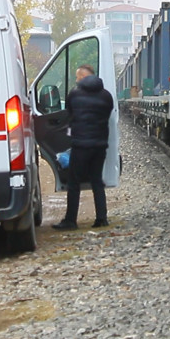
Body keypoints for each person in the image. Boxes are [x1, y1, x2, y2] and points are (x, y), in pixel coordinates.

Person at [52, 64, 114, 230]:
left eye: (78, 76)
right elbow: (107, 116)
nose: (76, 80)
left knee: (74, 183)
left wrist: (72, 132)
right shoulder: (106, 96)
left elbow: (69, 115)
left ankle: (71, 221)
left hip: (81, 145)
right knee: (96, 181)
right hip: (100, 145)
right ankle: (102, 218)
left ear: (84, 76)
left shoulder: (74, 94)